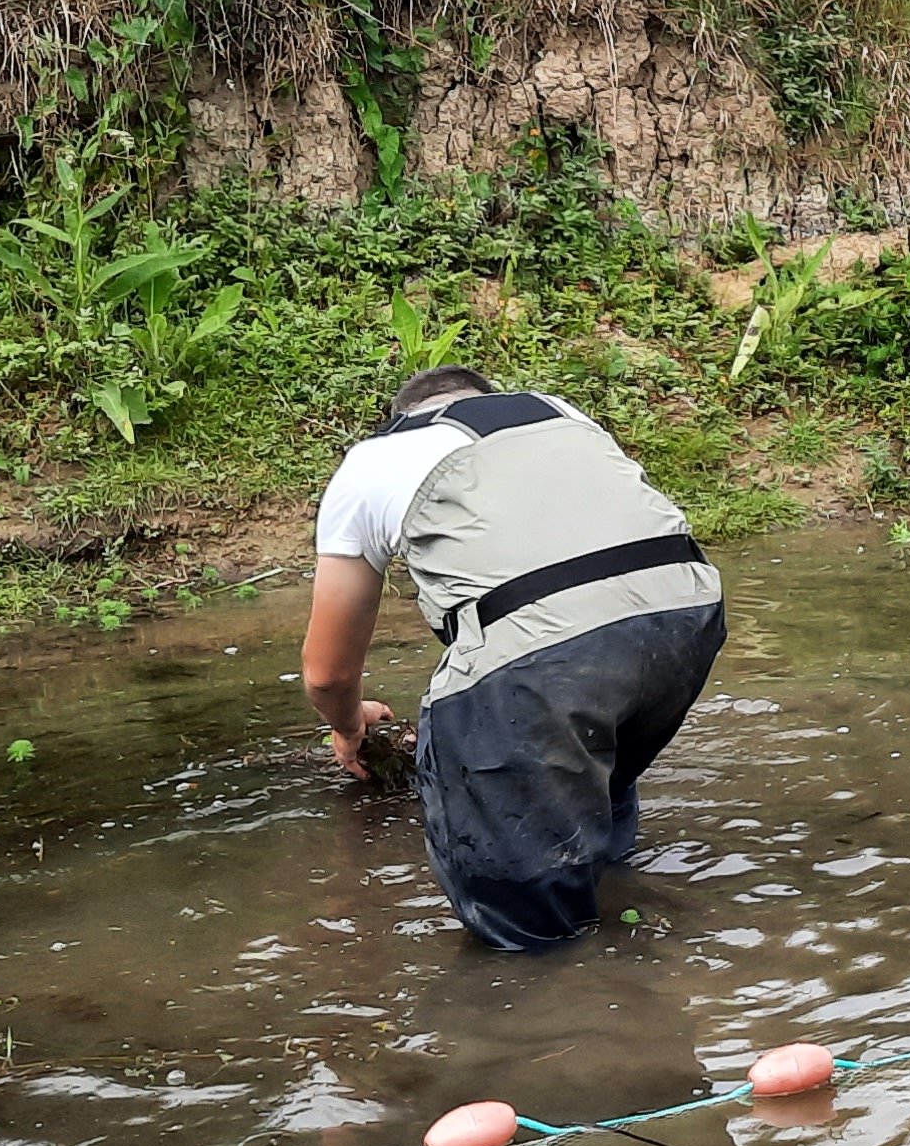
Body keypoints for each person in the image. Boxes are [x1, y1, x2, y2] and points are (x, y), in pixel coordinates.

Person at [301, 366, 728, 950]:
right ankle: (624, 902)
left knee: (520, 921)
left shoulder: (375, 459)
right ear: (490, 400)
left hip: (547, 651)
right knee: (593, 777)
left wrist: (349, 728)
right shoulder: (560, 413)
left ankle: (559, 1008)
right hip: (688, 614)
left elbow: (327, 672)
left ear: (401, 418)